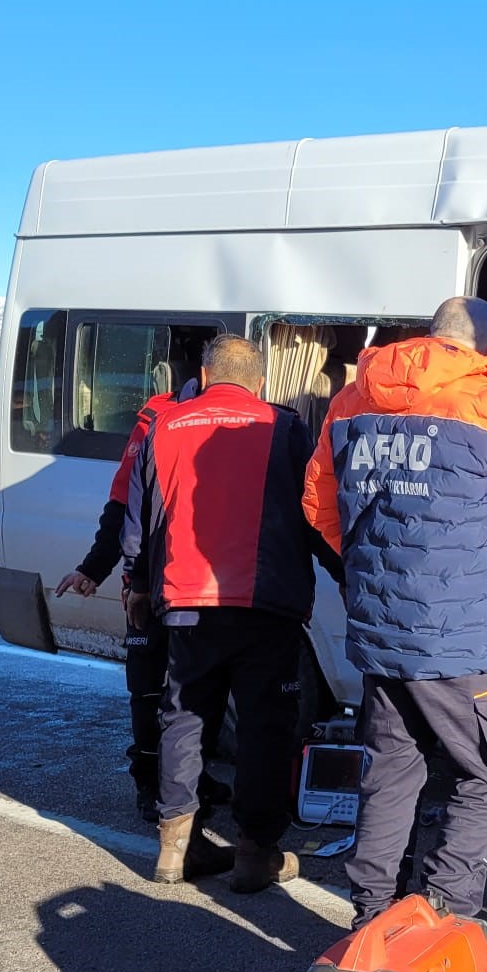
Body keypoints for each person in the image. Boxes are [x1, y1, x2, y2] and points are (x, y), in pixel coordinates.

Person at [302, 297, 487, 922]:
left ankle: (373, 917)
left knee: (392, 769)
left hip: (382, 631)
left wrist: (378, 570)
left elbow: (318, 505)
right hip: (467, 637)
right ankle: (445, 916)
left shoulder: (352, 399)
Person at [129, 334, 324, 891]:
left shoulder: (166, 425)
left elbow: (142, 515)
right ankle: (255, 855)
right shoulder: (284, 427)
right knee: (266, 727)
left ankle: (175, 848)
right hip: (266, 605)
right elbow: (316, 510)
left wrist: (137, 584)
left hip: (186, 602)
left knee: (184, 718)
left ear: (206, 376)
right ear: (259, 383)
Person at [55, 374, 225, 825]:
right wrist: (95, 569)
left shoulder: (235, 416)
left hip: (205, 585)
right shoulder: (156, 419)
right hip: (149, 584)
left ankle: (192, 777)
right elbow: (121, 506)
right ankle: (149, 783)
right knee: (149, 690)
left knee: (200, 691)